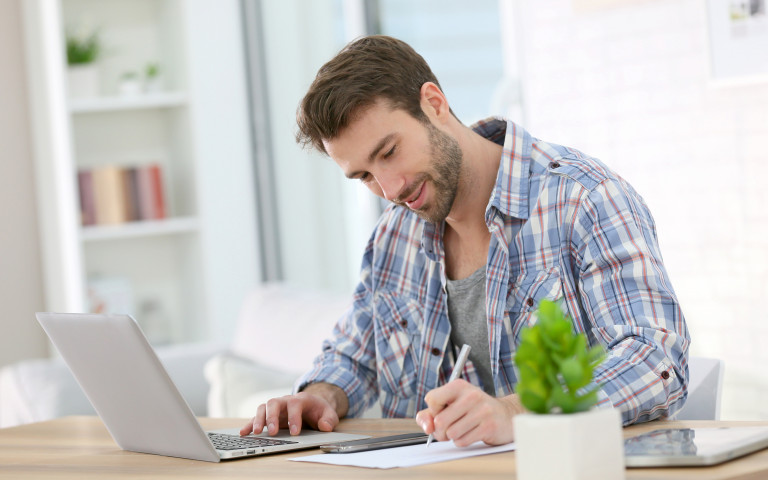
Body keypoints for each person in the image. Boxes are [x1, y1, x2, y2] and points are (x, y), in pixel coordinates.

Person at [240, 35, 690, 446]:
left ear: (434, 103)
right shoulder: (392, 239)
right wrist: (321, 395)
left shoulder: (583, 199)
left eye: (389, 152)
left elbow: (656, 361)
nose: (390, 189)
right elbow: (354, 356)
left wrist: (516, 411)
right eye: (364, 176)